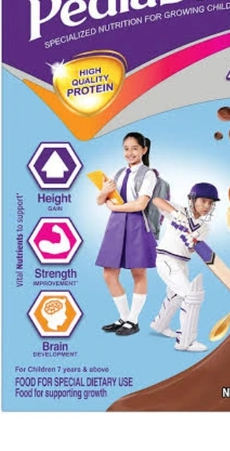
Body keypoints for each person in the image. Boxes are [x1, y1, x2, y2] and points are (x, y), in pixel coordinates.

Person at [95, 132, 158, 336]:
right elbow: (100, 201)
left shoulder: (149, 174)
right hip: (115, 226)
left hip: (137, 225)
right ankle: (124, 317)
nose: (130, 153)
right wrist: (104, 191)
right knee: (109, 273)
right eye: (126, 148)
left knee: (138, 273)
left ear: (144, 150)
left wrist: (114, 207)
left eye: (135, 148)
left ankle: (134, 320)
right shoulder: (119, 173)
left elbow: (141, 204)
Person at [149, 182, 220, 352]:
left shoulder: (204, 228)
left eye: (210, 203)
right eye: (203, 201)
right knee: (191, 296)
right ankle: (186, 341)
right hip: (166, 259)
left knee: (176, 296)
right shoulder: (179, 210)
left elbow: (191, 250)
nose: (207, 206)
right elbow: (156, 200)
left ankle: (160, 325)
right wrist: (175, 214)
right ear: (193, 199)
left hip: (182, 263)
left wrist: (192, 243)